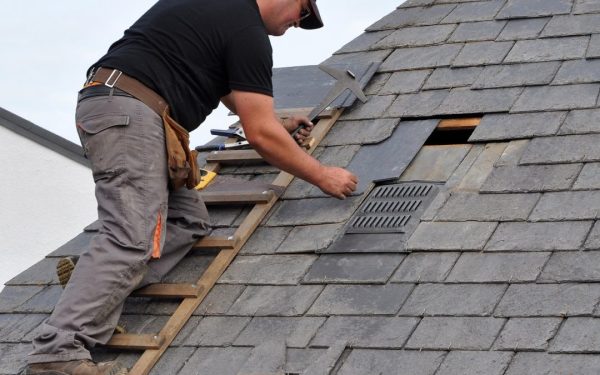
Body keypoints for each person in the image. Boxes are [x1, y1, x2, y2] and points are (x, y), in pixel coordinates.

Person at [23, 0, 358, 374]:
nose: (301, 21)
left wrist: (276, 118)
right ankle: (58, 353)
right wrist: (322, 175)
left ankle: (92, 286)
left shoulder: (218, 12)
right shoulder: (247, 30)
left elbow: (237, 97)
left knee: (187, 220)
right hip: (131, 115)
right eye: (303, 10)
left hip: (123, 107)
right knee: (132, 235)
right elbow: (259, 132)